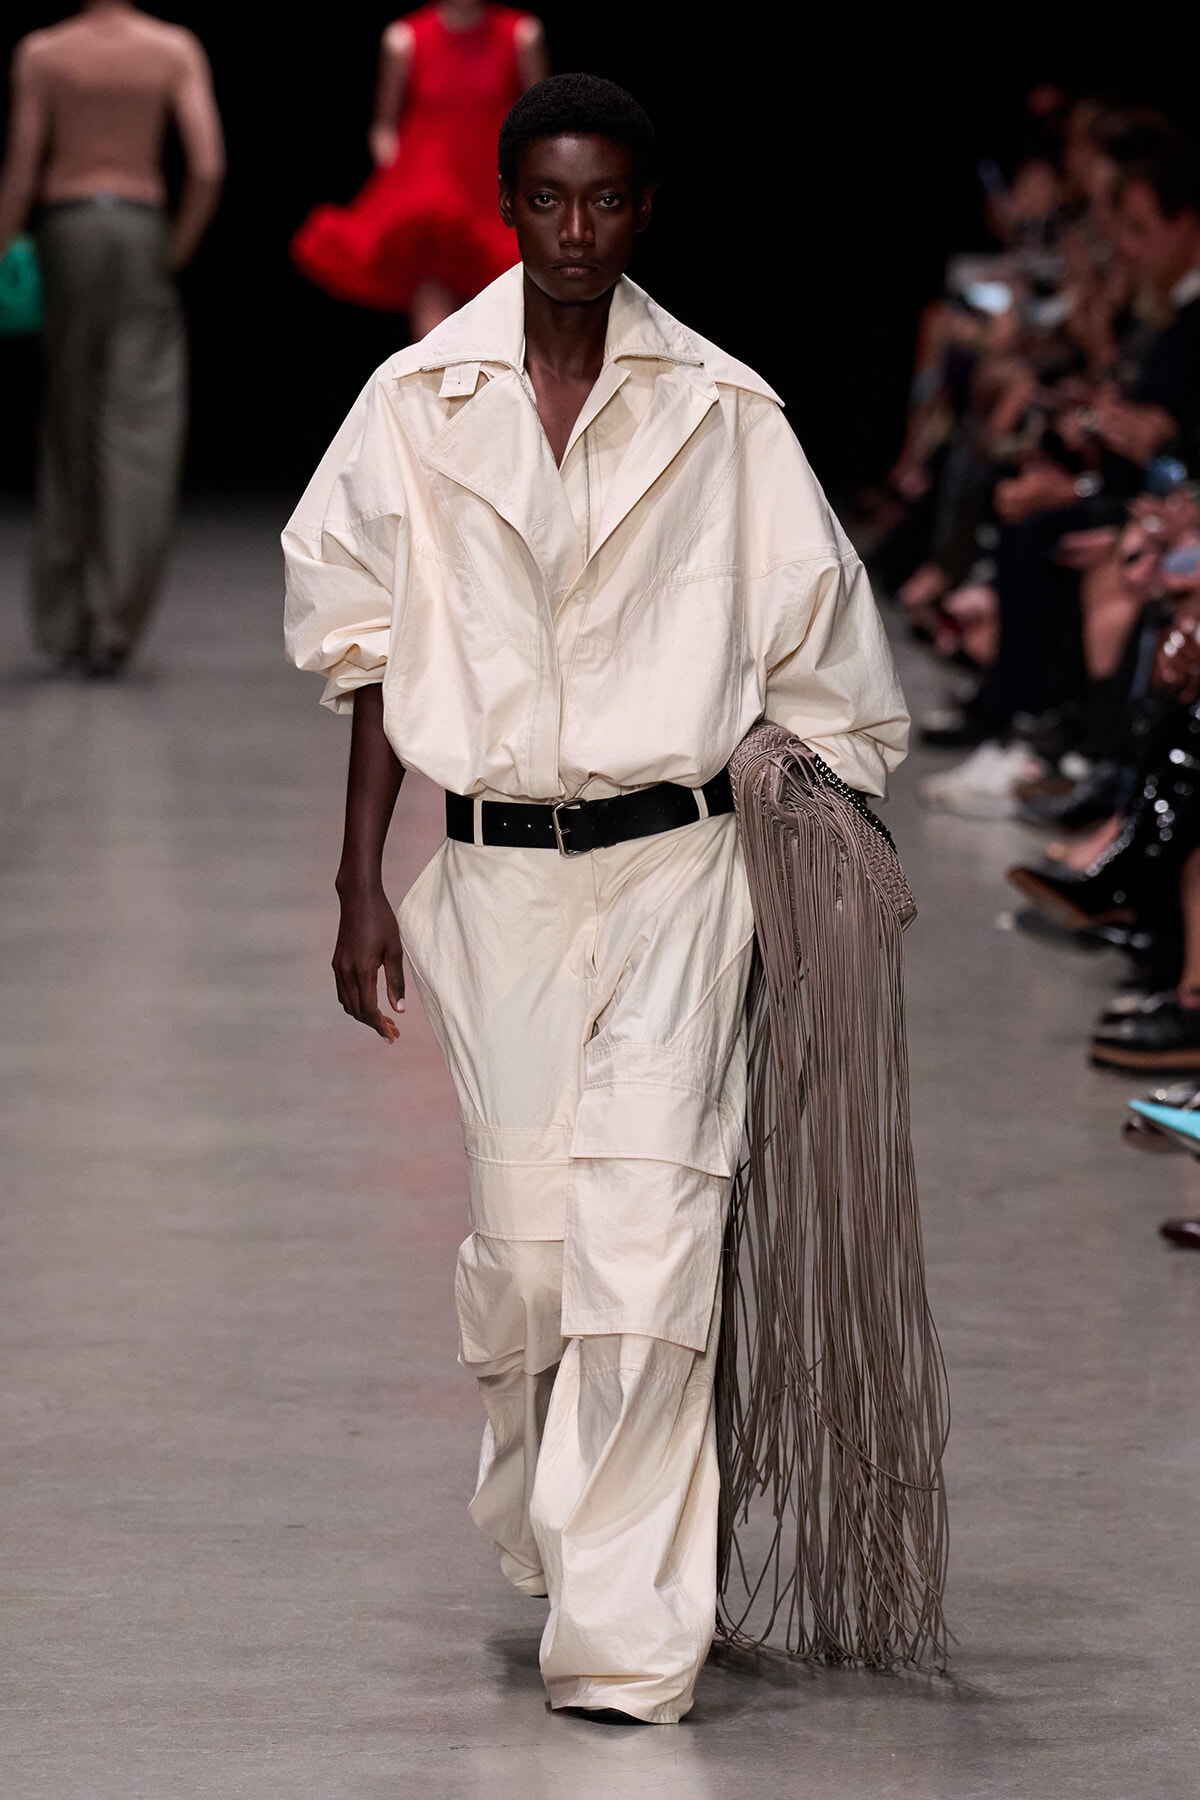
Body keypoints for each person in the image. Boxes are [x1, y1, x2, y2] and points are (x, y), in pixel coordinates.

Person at [284, 74, 907, 1724]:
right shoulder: (422, 401)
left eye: (607, 202)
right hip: (489, 878)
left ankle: (629, 1643)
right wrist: (361, 881)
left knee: (651, 1242)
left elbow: (826, 645)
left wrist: (812, 824)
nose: (576, 233)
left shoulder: (724, 414)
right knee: (533, 1262)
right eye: (549, 201)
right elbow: (368, 651)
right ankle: (551, 1504)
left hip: (681, 872)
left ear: (645, 211)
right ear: (509, 203)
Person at [0, 0, 224, 676]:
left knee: (69, 424)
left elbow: (20, 163)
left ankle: (66, 620)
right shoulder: (171, 46)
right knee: (141, 430)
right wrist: (175, 247)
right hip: (139, 225)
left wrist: (6, 250)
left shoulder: (45, 51)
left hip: (66, 228)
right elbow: (208, 166)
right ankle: (116, 621)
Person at [290, 0, 546, 340]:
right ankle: (442, 392)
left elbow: (543, 118)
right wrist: (395, 180)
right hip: (430, 189)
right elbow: (384, 128)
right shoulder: (404, 38)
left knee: (504, 308)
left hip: (493, 186)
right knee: (434, 305)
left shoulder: (522, 34)